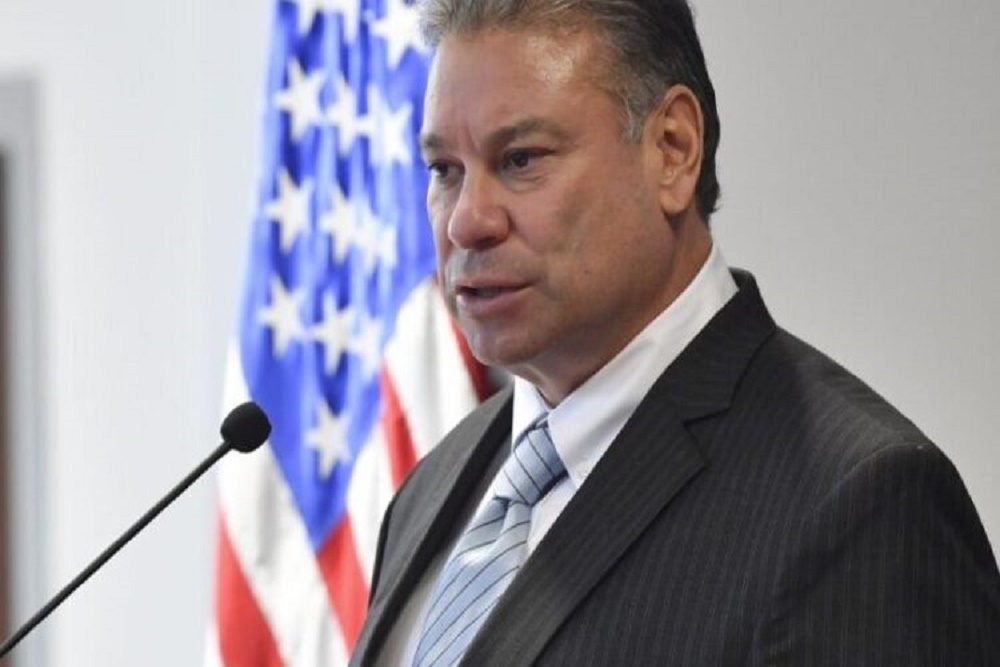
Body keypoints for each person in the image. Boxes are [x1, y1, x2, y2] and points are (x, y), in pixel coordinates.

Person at [350, 1, 1000, 664]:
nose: (466, 221)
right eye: (445, 170)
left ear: (673, 149)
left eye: (521, 159)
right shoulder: (434, 485)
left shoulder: (861, 502)